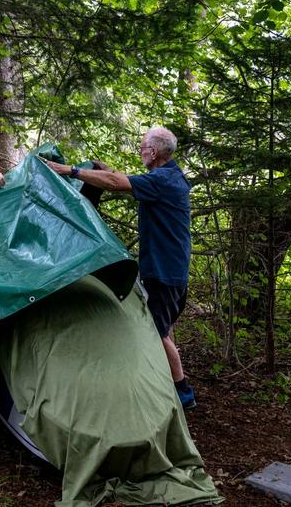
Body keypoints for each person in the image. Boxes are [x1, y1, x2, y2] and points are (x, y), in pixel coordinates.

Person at [41, 127, 195, 409]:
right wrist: (107, 170)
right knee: (165, 326)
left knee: (157, 333)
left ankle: (182, 391)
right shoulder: (169, 177)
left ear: (154, 151)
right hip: (172, 269)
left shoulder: (162, 180)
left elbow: (115, 183)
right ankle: (169, 380)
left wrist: (70, 170)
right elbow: (123, 180)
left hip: (163, 271)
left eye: (142, 147)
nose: (140, 151)